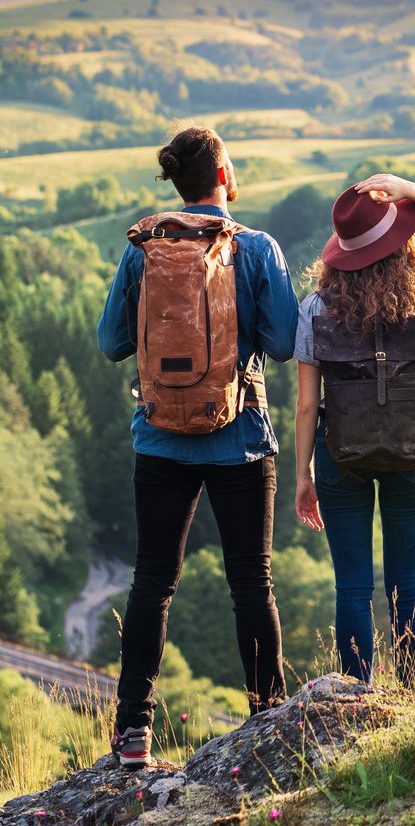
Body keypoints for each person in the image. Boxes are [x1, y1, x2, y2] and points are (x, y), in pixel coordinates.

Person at [96, 126, 299, 768]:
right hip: (239, 437)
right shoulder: (257, 248)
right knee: (250, 582)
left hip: (159, 438)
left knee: (152, 581)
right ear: (224, 174)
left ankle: (133, 734)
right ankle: (267, 717)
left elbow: (110, 343)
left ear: (177, 181)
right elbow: (288, 341)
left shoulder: (142, 251)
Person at [292, 173, 415, 687]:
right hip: (411, 453)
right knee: (407, 585)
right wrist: (409, 189)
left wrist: (303, 476)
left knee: (352, 587)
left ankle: (355, 699)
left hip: (338, 455)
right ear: (400, 247)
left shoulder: (315, 310)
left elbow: (307, 407)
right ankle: (411, 695)